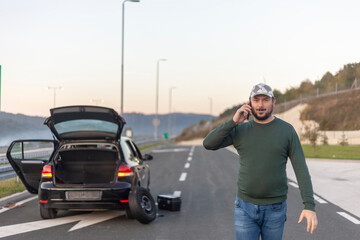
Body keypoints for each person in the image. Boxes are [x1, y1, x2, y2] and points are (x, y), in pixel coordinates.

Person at [203, 83, 318, 240]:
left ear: (273, 101)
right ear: (250, 103)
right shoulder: (240, 130)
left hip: (275, 209)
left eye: (265, 100)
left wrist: (309, 206)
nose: (261, 104)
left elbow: (301, 169)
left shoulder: (286, 130)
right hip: (244, 208)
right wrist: (233, 122)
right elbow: (208, 143)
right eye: (256, 100)